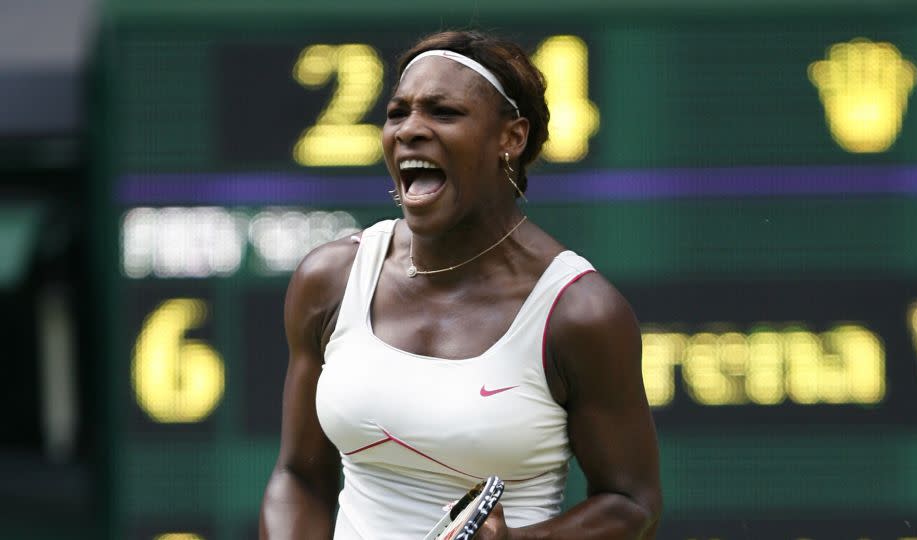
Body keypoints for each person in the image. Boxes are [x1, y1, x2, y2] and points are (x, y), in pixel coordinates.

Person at [259, 30, 661, 539]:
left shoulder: (578, 312)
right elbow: (298, 478)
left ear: (510, 139)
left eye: (443, 113)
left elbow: (632, 505)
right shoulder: (330, 279)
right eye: (398, 113)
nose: (410, 130)